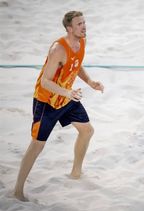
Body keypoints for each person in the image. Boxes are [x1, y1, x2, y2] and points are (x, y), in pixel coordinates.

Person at [14, 11, 104, 201]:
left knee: (87, 131)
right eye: (80, 24)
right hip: (46, 101)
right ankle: (18, 190)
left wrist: (90, 82)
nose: (84, 26)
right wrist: (67, 92)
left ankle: (76, 173)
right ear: (69, 28)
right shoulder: (58, 49)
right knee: (37, 145)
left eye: (84, 22)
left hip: (65, 97)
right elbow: (45, 82)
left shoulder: (81, 42)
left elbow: (76, 65)